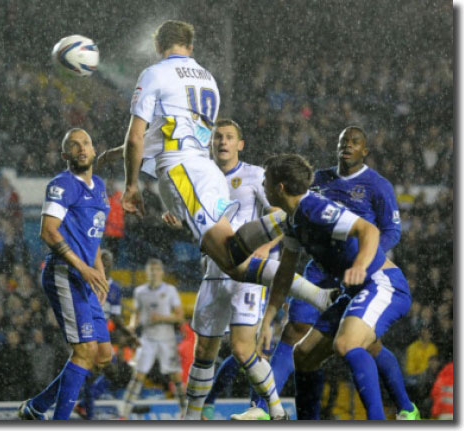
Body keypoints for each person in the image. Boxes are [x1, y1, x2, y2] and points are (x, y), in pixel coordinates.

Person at [119, 20, 332, 311]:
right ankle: (320, 295)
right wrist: (114, 154)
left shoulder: (154, 74)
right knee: (234, 262)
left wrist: (131, 185)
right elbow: (170, 133)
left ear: (158, 46)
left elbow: (136, 138)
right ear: (190, 47)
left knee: (231, 257)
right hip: (205, 170)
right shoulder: (208, 79)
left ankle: (298, 210)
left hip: (182, 172)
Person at [240, 126, 419, 420]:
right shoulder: (295, 218)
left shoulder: (315, 208)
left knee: (347, 343)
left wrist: (360, 264)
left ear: (280, 187)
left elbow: (371, 229)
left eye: (266, 182)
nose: (263, 186)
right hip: (344, 283)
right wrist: (268, 320)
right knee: (304, 354)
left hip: (379, 282)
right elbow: (284, 274)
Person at [165, 119, 285, 420]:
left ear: (240, 144)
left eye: (230, 137)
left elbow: (281, 216)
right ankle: (192, 418)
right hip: (213, 272)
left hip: (246, 274)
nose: (222, 141)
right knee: (204, 350)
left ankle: (276, 409)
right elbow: (192, 219)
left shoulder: (255, 176)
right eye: (218, 136)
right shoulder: (200, 175)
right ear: (210, 142)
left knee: (242, 349)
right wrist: (177, 218)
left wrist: (267, 247)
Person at [18, 128, 111, 420]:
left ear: (94, 151)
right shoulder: (62, 184)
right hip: (65, 274)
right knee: (83, 352)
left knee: (103, 355)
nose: (81, 148)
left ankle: (37, 407)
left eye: (85, 143)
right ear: (65, 155)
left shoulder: (99, 186)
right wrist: (82, 267)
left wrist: (100, 271)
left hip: (85, 277)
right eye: (74, 145)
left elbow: (91, 237)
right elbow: (48, 231)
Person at [75, 248, 138, 420]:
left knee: (111, 372)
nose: (106, 263)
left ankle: (83, 406)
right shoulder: (89, 281)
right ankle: (87, 411)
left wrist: (127, 334)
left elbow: (116, 316)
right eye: (103, 260)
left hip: (104, 333)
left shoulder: (115, 288)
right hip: (89, 330)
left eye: (108, 260)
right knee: (96, 371)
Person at [120, 258, 185, 419]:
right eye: (150, 270)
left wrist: (161, 318)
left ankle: (186, 412)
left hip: (166, 339)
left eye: (156, 270)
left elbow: (179, 317)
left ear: (162, 272)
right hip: (147, 338)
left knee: (175, 376)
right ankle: (124, 414)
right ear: (146, 273)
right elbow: (136, 314)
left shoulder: (170, 290)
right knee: (138, 375)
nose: (154, 273)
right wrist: (132, 325)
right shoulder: (140, 291)